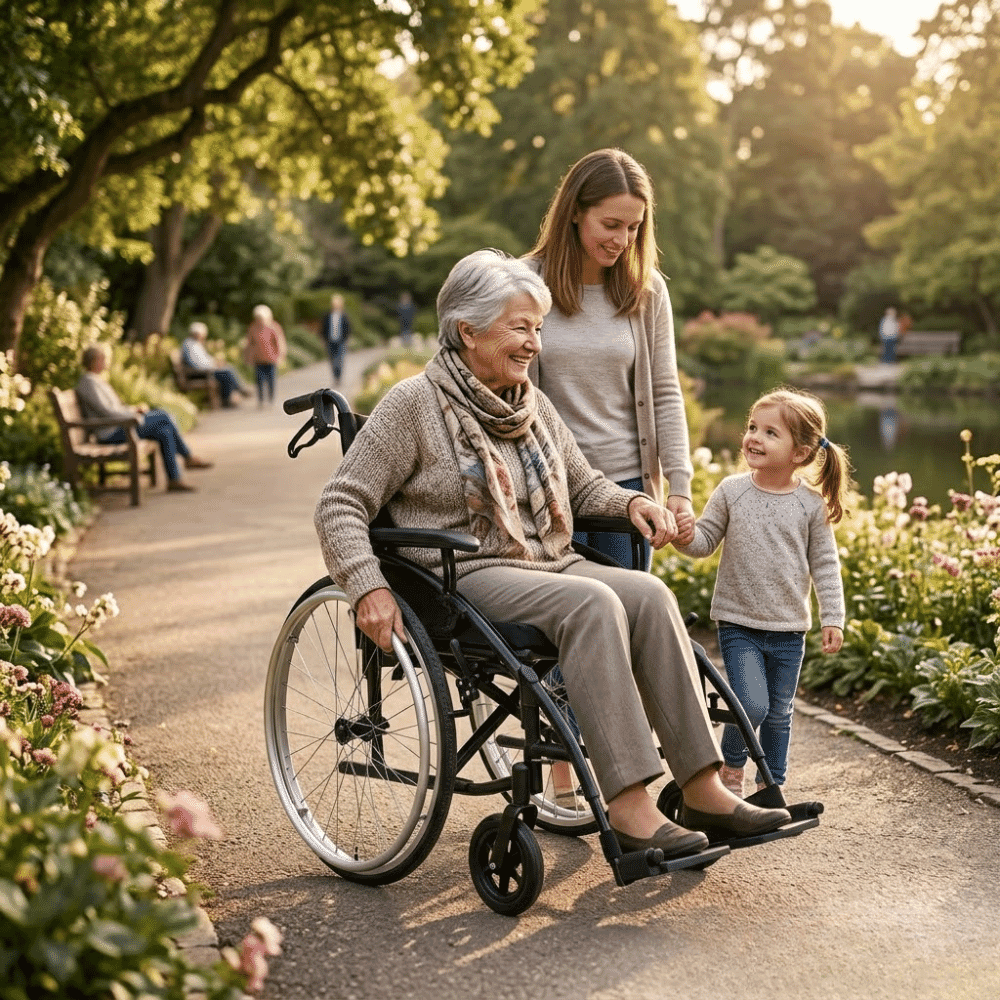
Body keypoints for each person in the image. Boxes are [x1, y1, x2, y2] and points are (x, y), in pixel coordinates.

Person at [314, 249, 791, 857]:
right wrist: (367, 587)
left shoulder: (528, 403)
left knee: (648, 593)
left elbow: (582, 482)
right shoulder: (413, 404)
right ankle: (630, 808)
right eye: (520, 328)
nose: (533, 344)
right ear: (468, 330)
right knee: (592, 603)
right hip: (466, 576)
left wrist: (628, 505)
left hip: (546, 562)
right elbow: (340, 504)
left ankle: (703, 789)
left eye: (537, 329)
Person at [673, 387, 849, 797]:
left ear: (801, 453)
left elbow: (825, 565)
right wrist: (682, 535)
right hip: (739, 623)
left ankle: (772, 785)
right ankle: (730, 772)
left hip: (789, 629)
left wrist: (833, 618)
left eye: (771, 432)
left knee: (779, 715)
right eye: (753, 427)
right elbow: (703, 542)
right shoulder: (732, 491)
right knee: (750, 705)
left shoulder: (810, 505)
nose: (754, 437)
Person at [526, 148, 693, 574]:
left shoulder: (647, 290)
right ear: (577, 212)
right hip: (551, 486)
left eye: (634, 227)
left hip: (630, 489)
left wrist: (681, 485)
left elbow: (665, 391)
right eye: (611, 224)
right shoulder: (524, 284)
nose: (621, 239)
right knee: (567, 623)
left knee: (630, 616)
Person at [75, 344, 212, 493]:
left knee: (164, 431)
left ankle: (174, 479)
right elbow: (107, 411)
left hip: (119, 426)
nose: (107, 361)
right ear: (95, 361)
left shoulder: (95, 380)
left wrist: (134, 409)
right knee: (163, 415)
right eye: (104, 358)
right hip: (110, 432)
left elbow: (114, 409)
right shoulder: (88, 382)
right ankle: (187, 457)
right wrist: (134, 415)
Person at [181, 322, 250, 408]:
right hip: (200, 374)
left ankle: (236, 392)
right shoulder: (190, 345)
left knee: (228, 368)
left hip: (204, 371)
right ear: (197, 334)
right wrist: (213, 366)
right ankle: (235, 393)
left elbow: (205, 358)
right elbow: (197, 364)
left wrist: (215, 362)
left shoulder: (194, 343)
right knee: (227, 372)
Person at [244, 305, 287, 407]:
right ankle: (261, 400)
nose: (260, 320)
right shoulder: (253, 328)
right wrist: (248, 357)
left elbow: (279, 343)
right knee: (259, 381)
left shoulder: (274, 327)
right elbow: (249, 344)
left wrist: (281, 356)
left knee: (271, 380)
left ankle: (271, 399)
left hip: (271, 359)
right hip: (258, 359)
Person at [321, 293, 351, 386]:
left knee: (339, 360)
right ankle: (335, 376)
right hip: (330, 341)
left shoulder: (344, 316)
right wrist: (324, 339)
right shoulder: (328, 315)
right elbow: (323, 328)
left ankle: (338, 377)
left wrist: (346, 339)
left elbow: (348, 328)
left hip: (340, 341)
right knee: (332, 361)